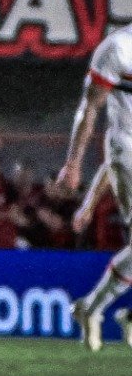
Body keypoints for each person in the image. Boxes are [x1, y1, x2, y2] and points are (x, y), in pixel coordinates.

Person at [58, 24, 132, 351]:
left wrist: (88, 204)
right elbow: (89, 109)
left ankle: (91, 308)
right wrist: (73, 164)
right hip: (127, 151)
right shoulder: (117, 48)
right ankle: (95, 308)